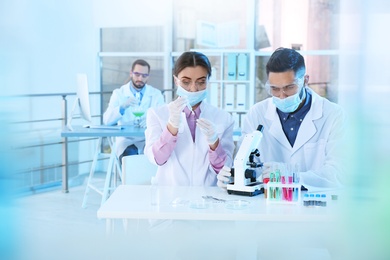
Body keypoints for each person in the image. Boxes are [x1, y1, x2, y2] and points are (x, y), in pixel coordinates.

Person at [217, 47, 346, 190]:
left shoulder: (333, 114)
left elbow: (338, 173)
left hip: (314, 205)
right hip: (269, 203)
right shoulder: (257, 114)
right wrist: (234, 177)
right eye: (275, 89)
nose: (282, 96)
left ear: (305, 80)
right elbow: (248, 163)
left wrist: (290, 176)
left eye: (290, 87)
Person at [144, 51, 235, 186]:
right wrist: (171, 128)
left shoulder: (223, 118)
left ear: (208, 80)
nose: (193, 88)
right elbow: (157, 159)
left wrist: (214, 143)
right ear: (176, 81)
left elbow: (224, 171)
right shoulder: (157, 115)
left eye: (201, 82)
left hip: (207, 196)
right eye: (186, 82)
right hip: (169, 196)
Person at [103, 59, 165, 163]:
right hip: (127, 140)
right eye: (137, 74)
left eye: (144, 76)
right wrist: (122, 107)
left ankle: (148, 179)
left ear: (148, 77)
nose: (140, 78)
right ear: (131, 73)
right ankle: (128, 179)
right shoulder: (119, 93)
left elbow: (163, 118)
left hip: (148, 139)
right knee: (130, 156)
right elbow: (107, 120)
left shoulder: (156, 94)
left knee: (154, 156)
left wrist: (151, 120)